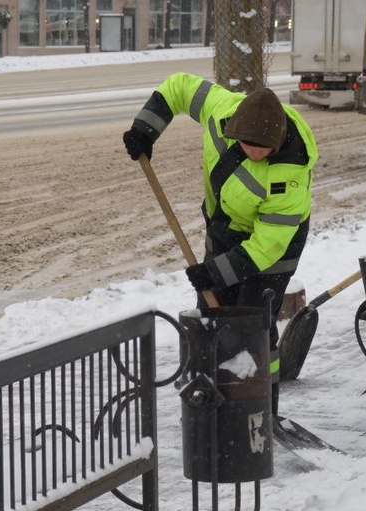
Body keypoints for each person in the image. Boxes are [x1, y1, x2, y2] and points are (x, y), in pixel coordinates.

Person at [122, 73, 318, 418]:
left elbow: (266, 246)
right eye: (247, 145)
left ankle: (260, 408)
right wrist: (145, 128)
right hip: (225, 227)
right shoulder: (222, 109)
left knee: (254, 322)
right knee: (211, 317)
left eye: (263, 149)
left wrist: (214, 272)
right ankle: (212, 399)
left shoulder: (289, 174)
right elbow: (178, 88)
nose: (255, 152)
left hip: (276, 245)